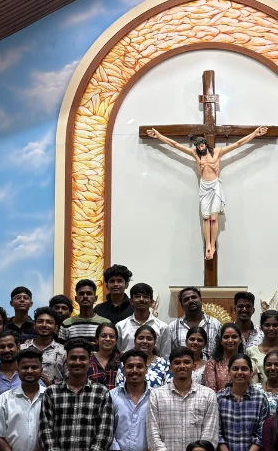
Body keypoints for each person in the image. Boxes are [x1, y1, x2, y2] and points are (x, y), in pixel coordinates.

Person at [145, 126, 269, 260]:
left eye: (202, 145)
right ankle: (207, 245)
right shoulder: (195, 154)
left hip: (215, 186)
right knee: (205, 218)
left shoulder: (217, 152)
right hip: (204, 187)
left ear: (205, 144)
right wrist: (159, 136)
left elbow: (238, 144)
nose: (201, 147)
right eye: (198, 146)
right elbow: (175, 145)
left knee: (214, 218)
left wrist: (254, 133)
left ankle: (212, 245)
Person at [40, 338, 114, 451]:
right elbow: (45, 431)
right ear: (66, 361)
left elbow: (105, 433)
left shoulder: (101, 392)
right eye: (73, 358)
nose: (78, 362)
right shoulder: (51, 392)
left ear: (90, 362)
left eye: (82, 358)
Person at [147, 347, 220, 451]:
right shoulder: (156, 395)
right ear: (170, 367)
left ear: (194, 366)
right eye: (177, 362)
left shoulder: (208, 395)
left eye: (186, 362)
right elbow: (153, 436)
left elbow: (210, 435)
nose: (182, 366)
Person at [110, 350, 159, 451]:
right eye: (130, 366)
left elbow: (160, 434)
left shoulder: (157, 397)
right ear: (123, 369)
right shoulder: (111, 396)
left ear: (146, 369)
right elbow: (108, 431)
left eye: (139, 366)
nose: (135, 370)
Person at [167, 286, 222, 359]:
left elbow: (221, 353)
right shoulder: (173, 327)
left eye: (194, 297)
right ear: (182, 305)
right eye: (186, 299)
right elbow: (169, 355)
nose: (191, 301)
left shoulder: (216, 325)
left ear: (201, 300)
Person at [115, 282, 169, 355]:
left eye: (145, 296)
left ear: (151, 302)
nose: (141, 299)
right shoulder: (120, 326)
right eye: (137, 296)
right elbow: (117, 354)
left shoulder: (162, 327)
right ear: (131, 301)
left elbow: (165, 355)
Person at [115, 325, 171, 389]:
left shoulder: (165, 365)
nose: (145, 341)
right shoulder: (125, 363)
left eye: (149, 339)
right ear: (135, 341)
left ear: (155, 342)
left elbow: (168, 390)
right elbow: (119, 390)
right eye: (141, 338)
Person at [59, 279, 110, 345]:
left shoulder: (105, 323)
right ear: (76, 299)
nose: (85, 296)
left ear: (95, 298)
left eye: (89, 293)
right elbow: (60, 349)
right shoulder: (66, 324)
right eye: (81, 294)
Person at [24, 307, 67, 385]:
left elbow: (68, 380)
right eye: (40, 321)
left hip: (55, 392)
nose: (44, 325)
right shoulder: (23, 349)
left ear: (56, 328)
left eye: (49, 322)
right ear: (34, 325)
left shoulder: (64, 352)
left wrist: (50, 385)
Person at [202, 322, 244, 391]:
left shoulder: (246, 362)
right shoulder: (212, 364)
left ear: (240, 340)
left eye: (234, 337)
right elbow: (211, 392)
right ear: (221, 341)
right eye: (226, 337)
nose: (230, 340)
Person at [87, 322, 121, 389]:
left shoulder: (121, 360)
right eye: (104, 336)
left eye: (111, 336)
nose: (108, 339)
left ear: (116, 340)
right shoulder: (88, 360)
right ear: (97, 339)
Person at [0, 331, 21, 397]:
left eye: (10, 346)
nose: (6, 350)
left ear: (18, 347)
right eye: (2, 347)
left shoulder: (28, 374)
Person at [258, 349, 278, 415]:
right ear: (264, 368)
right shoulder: (255, 390)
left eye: (277, 365)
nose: (272, 368)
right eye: (268, 364)